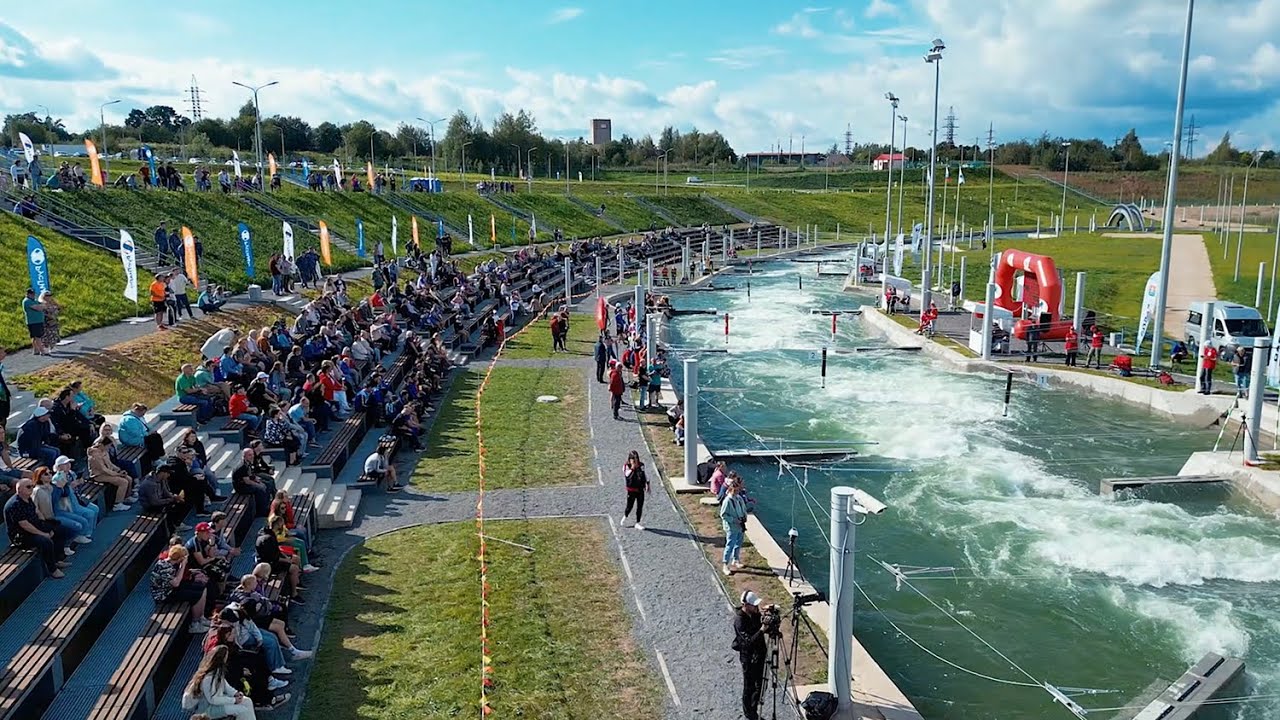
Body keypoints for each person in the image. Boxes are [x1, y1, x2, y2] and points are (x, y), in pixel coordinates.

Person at [4, 478, 72, 578]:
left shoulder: (27, 498)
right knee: (45, 541)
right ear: (19, 489)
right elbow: (24, 525)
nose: (31, 488)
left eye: (33, 486)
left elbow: (36, 511)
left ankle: (57, 559)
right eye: (28, 487)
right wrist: (43, 533)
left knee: (59, 529)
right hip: (21, 536)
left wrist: (45, 525)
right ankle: (52, 570)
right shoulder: (15, 504)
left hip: (33, 525)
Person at [181, 646, 257, 719]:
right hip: (206, 709)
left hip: (216, 703)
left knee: (247, 701)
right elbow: (213, 699)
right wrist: (234, 700)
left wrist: (236, 693)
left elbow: (226, 686)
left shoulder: (218, 672)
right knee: (242, 710)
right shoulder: (209, 677)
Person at [149, 544, 210, 634]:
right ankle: (195, 624)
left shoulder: (168, 563)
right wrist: (183, 565)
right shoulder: (165, 567)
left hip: (170, 588)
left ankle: (201, 618)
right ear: (179, 559)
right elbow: (176, 583)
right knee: (195, 595)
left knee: (201, 587)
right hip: (164, 595)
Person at [733, 590, 771, 720]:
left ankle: (754, 709)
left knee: (761, 685)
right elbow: (748, 642)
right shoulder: (740, 620)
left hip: (759, 654)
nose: (756, 607)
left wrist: (767, 615)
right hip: (748, 657)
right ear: (745, 605)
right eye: (753, 605)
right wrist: (762, 630)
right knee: (749, 686)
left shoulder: (754, 614)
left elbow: (762, 623)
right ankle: (750, 713)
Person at [719, 480, 749, 576]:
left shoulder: (739, 498)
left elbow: (743, 508)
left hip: (740, 525)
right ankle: (725, 564)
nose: (736, 492)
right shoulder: (727, 501)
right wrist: (733, 520)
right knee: (730, 545)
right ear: (730, 489)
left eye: (738, 490)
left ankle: (736, 559)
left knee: (738, 543)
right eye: (734, 490)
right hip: (732, 527)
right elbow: (723, 514)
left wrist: (744, 516)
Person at [620, 450, 649, 530]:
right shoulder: (626, 466)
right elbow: (627, 475)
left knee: (640, 506)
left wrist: (647, 484)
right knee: (629, 506)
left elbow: (645, 474)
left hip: (640, 489)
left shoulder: (641, 465)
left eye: (637, 459)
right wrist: (632, 468)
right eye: (633, 459)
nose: (636, 461)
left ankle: (638, 522)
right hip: (631, 490)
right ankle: (625, 516)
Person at [23, 288, 47, 355]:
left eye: (33, 294)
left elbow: (43, 306)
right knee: (37, 336)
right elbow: (38, 308)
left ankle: (36, 350)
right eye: (31, 294)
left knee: (34, 336)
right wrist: (43, 305)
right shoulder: (27, 301)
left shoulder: (34, 301)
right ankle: (42, 351)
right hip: (33, 322)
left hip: (38, 321)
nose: (33, 295)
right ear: (27, 294)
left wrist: (42, 305)